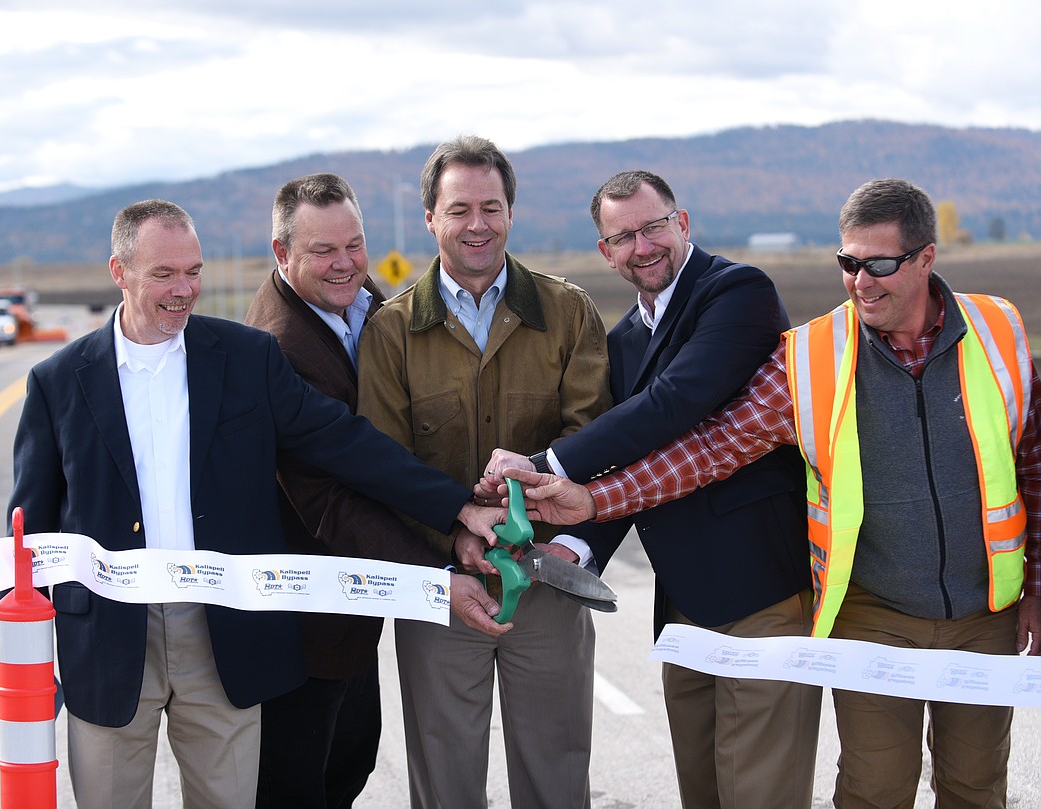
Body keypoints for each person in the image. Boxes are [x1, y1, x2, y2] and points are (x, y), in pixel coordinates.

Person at [509, 178, 1041, 809]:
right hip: (871, 609)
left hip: (986, 612)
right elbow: (711, 450)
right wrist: (595, 504)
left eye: (879, 264)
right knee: (874, 791)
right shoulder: (813, 355)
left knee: (977, 787)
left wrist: (1035, 587)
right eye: (848, 264)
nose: (861, 281)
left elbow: (1032, 465)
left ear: (927, 257)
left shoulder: (998, 332)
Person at [8, 198, 506, 809]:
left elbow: (345, 444)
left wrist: (457, 507)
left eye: (193, 271)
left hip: (223, 635)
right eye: (163, 274)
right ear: (120, 272)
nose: (183, 289)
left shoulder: (247, 359)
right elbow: (25, 535)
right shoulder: (58, 382)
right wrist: (25, 657)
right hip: (108, 642)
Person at [478, 169, 820, 808]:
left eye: (654, 226)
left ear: (682, 223)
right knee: (703, 789)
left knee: (762, 791)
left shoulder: (736, 294)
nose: (644, 246)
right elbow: (625, 463)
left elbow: (676, 404)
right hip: (685, 602)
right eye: (624, 236)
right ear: (606, 253)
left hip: (761, 595)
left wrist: (547, 462)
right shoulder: (624, 342)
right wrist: (574, 548)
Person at [356, 135, 612, 809]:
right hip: (442, 590)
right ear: (431, 219)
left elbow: (593, 436)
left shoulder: (568, 313)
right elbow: (383, 466)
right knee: (444, 777)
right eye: (460, 208)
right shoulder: (389, 332)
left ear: (510, 212)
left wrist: (536, 502)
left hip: (547, 585)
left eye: (491, 207)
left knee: (556, 771)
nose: (477, 224)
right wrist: (451, 546)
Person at [243, 173, 508, 809]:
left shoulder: (366, 302)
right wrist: (441, 564)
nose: (345, 265)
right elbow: (331, 496)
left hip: (357, 603)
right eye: (322, 252)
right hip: (307, 611)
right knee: (302, 780)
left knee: (354, 757)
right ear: (282, 255)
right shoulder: (279, 347)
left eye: (354, 245)